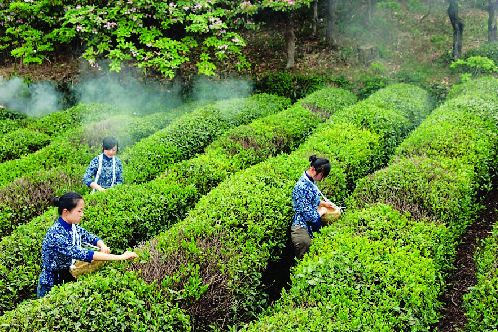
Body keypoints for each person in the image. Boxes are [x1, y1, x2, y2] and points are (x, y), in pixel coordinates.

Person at [37, 192, 138, 298]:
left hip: (66, 276)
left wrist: (102, 245)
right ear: (66, 212)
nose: (82, 214)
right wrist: (121, 257)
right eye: (79, 211)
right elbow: (84, 254)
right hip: (51, 283)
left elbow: (89, 237)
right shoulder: (56, 234)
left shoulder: (72, 226)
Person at [290, 155, 335, 259]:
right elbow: (308, 214)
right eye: (322, 175)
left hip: (309, 226)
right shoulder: (301, 186)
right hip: (301, 229)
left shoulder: (310, 181)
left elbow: (311, 200)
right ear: (314, 170)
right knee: (305, 258)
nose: (322, 179)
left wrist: (323, 204)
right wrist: (322, 211)